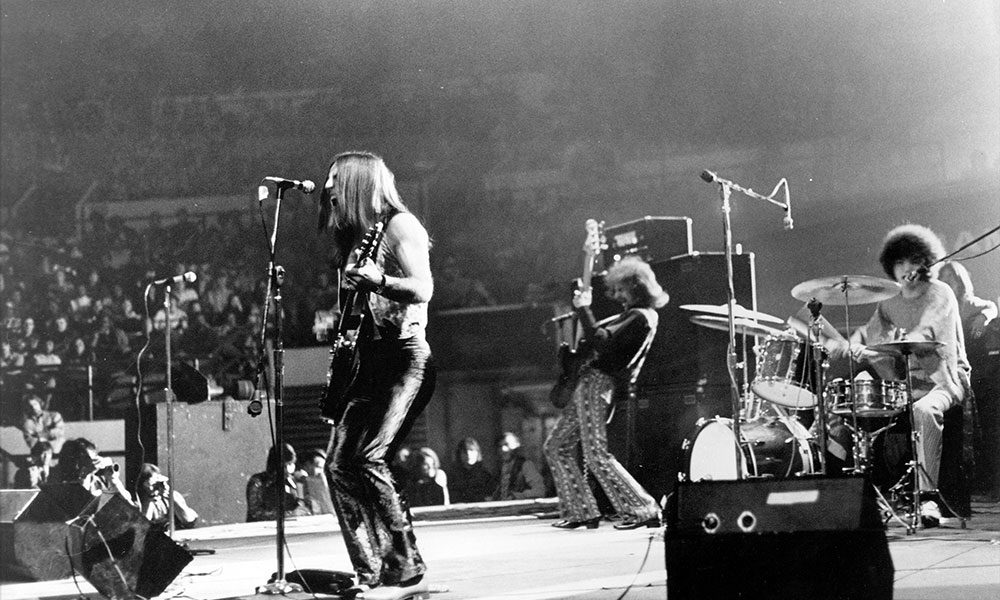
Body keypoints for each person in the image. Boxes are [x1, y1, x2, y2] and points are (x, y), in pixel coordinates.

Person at [319, 152, 435, 600]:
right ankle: (369, 568)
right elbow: (361, 306)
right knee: (337, 466)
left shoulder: (401, 225)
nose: (328, 188)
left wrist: (378, 281)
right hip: (369, 362)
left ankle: (407, 560)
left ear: (355, 181)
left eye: (333, 180)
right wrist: (334, 315)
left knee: (368, 457)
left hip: (404, 357)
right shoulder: (358, 238)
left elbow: (423, 288)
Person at [830, 225, 971, 528]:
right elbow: (872, 337)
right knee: (854, 394)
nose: (906, 268)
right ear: (891, 267)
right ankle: (861, 493)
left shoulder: (940, 293)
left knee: (924, 409)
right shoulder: (889, 300)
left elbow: (926, 333)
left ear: (926, 262)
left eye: (912, 260)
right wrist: (855, 347)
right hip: (907, 382)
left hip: (945, 379)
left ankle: (928, 498)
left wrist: (884, 348)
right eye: (899, 263)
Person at [543, 257, 666, 530]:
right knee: (556, 447)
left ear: (637, 287)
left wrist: (584, 310)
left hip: (598, 383)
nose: (618, 295)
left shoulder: (640, 317)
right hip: (591, 383)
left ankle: (642, 508)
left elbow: (601, 341)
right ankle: (582, 511)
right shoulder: (631, 315)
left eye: (623, 289)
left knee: (596, 454)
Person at [936, 260, 999, 500]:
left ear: (961, 281)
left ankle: (984, 482)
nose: (948, 283)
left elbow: (991, 306)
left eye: (952, 278)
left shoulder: (968, 304)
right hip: (950, 372)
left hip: (978, 372)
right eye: (944, 278)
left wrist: (982, 317)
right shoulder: (939, 306)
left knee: (982, 428)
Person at [50, 437, 132, 501]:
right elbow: (78, 505)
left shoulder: (100, 480)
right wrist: (85, 476)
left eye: (95, 458)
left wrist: (114, 480)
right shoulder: (59, 482)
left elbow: (130, 506)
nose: (94, 463)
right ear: (76, 462)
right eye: (89, 459)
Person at [246, 443, 309, 522]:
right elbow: (256, 512)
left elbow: (303, 504)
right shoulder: (258, 481)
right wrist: (289, 514)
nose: (290, 469)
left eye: (292, 464)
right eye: (287, 464)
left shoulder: (292, 481)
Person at [135, 463, 199, 532]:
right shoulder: (138, 501)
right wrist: (150, 499)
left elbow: (189, 521)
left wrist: (171, 497)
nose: (157, 487)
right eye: (153, 484)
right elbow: (142, 527)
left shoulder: (172, 496)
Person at [493, 432, 546, 502]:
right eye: (500, 446)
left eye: (507, 445)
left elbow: (540, 491)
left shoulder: (526, 465)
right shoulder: (500, 468)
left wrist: (517, 496)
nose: (503, 450)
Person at [449, 437, 496, 504]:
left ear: (477, 452)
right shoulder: (453, 475)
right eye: (465, 452)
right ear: (459, 454)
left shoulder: (485, 475)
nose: (468, 454)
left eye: (471, 450)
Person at [294, 448, 335, 516]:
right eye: (318, 467)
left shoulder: (327, 482)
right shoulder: (298, 482)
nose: (321, 472)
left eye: (323, 468)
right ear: (307, 465)